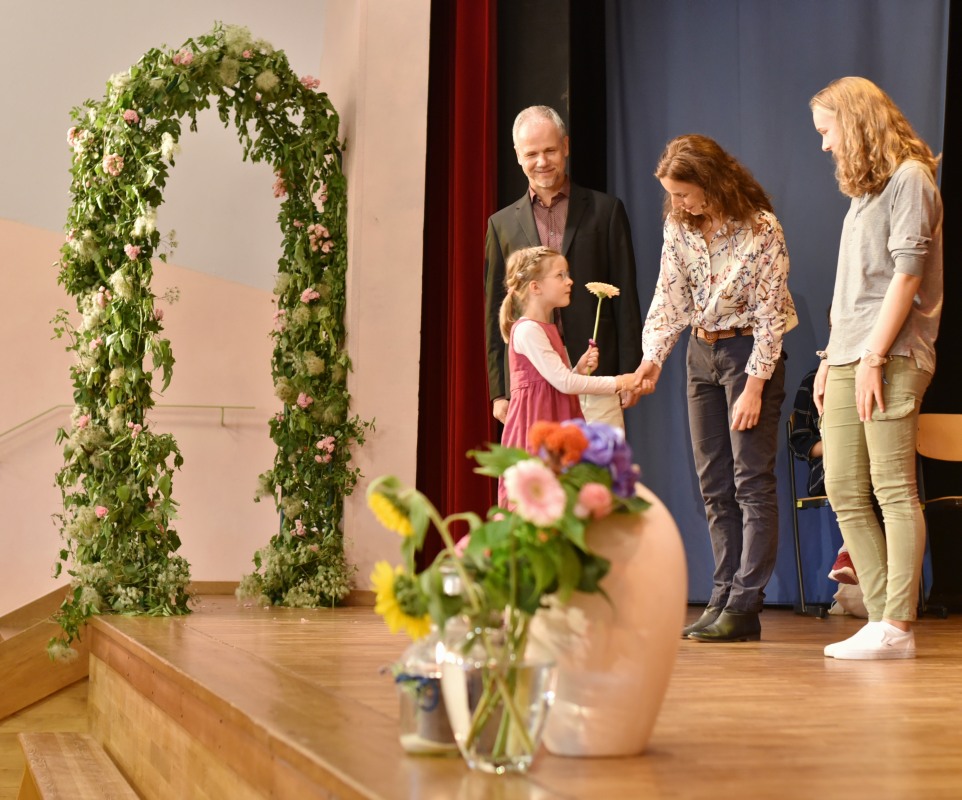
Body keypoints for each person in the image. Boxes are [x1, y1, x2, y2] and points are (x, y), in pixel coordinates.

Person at [633, 134, 797, 643]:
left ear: (710, 182)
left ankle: (746, 604)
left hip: (748, 353)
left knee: (751, 481)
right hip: (700, 353)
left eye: (684, 193)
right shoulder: (679, 227)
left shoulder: (760, 229)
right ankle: (723, 594)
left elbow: (771, 314)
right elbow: (670, 297)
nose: (678, 203)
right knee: (714, 484)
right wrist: (652, 360)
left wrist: (755, 386)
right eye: (672, 195)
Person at [811, 77, 943, 660]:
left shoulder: (911, 179)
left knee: (892, 487)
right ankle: (881, 615)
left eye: (827, 130)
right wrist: (830, 357)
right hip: (848, 354)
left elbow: (906, 276)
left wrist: (872, 356)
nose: (825, 144)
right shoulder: (865, 192)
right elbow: (855, 289)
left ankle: (897, 624)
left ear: (856, 121)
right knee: (842, 485)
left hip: (891, 354)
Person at [484, 106, 643, 430]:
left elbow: (625, 295)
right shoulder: (501, 225)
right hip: (532, 378)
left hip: (597, 370)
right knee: (543, 463)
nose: (542, 162)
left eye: (550, 150)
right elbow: (495, 310)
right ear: (518, 155)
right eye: (532, 154)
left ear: (566, 146)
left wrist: (630, 371)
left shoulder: (606, 211)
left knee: (599, 461)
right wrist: (499, 391)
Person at [497, 246, 639, 506]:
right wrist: (620, 382)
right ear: (535, 287)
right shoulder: (528, 330)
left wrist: (578, 368)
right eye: (560, 275)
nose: (569, 281)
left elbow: (557, 381)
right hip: (536, 428)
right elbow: (564, 383)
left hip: (555, 422)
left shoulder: (547, 329)